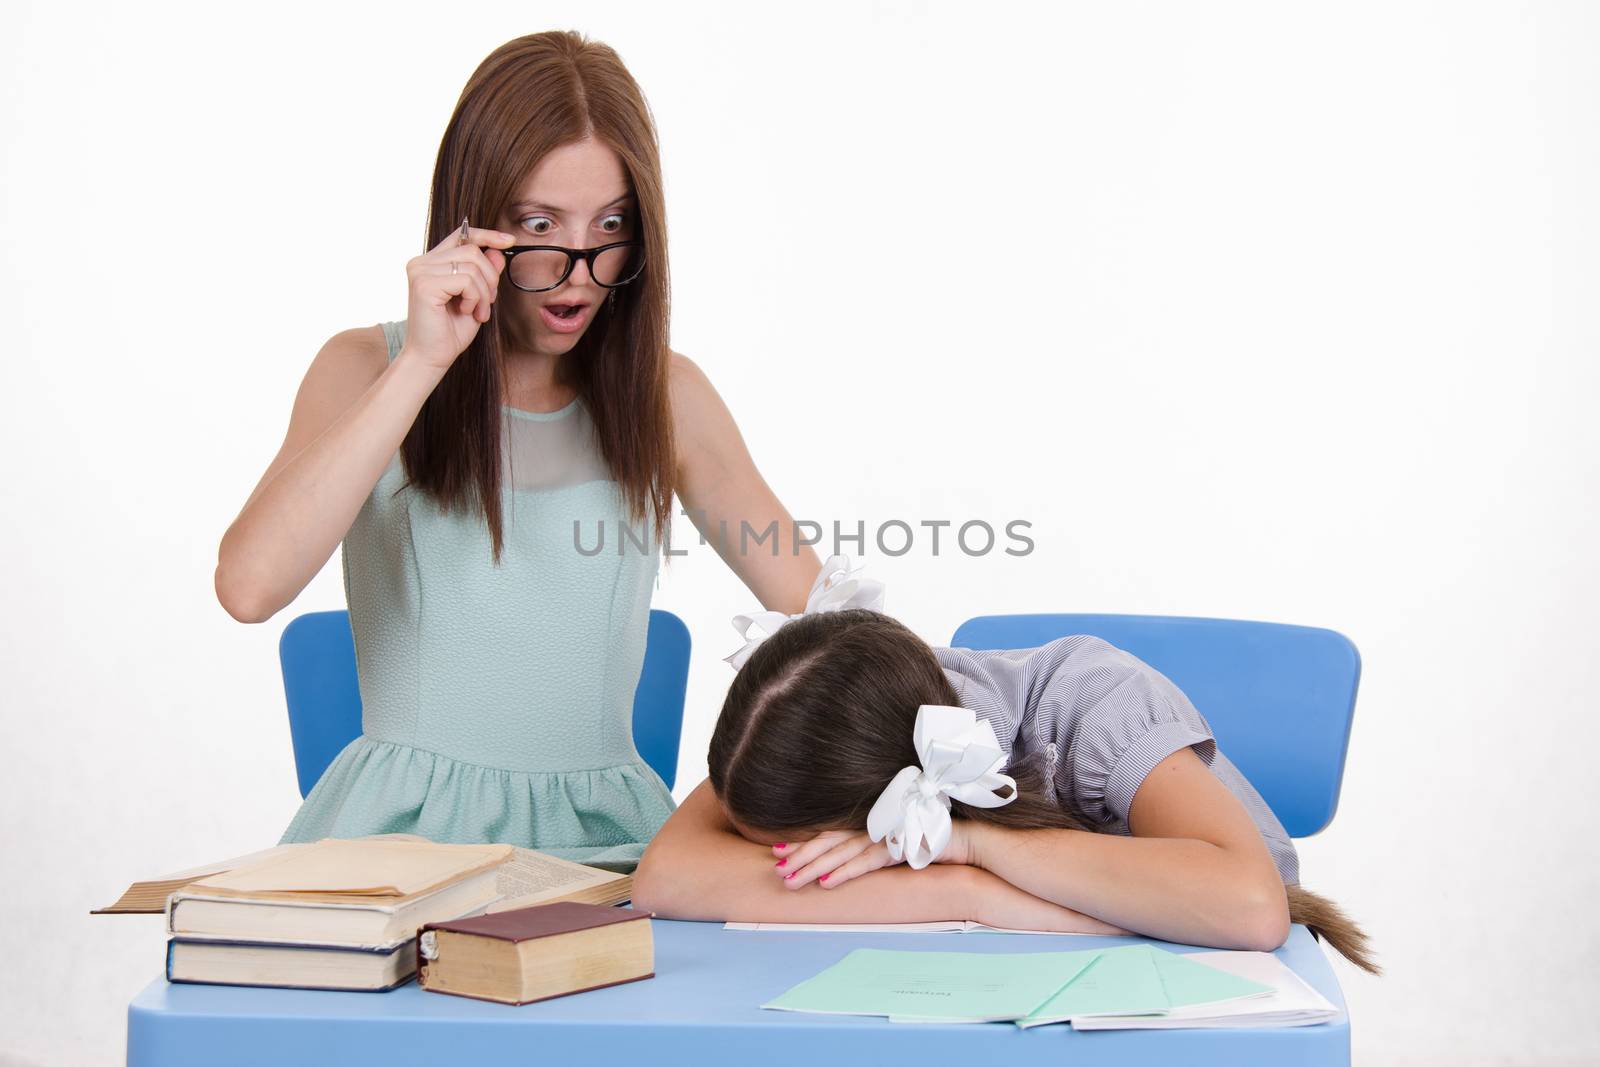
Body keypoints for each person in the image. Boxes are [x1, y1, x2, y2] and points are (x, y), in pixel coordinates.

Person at [213, 31, 822, 869]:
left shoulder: (666, 395)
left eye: (611, 226)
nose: (579, 270)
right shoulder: (363, 368)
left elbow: (821, 607)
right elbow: (248, 587)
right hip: (401, 849)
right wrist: (425, 362)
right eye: (540, 225)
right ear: (473, 222)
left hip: (605, 846)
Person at [633, 605, 1378, 972]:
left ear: (890, 804)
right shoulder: (828, 712)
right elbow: (668, 879)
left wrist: (972, 847)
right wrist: (967, 894)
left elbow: (1249, 907)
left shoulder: (1094, 699)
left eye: (813, 852)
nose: (794, 866)